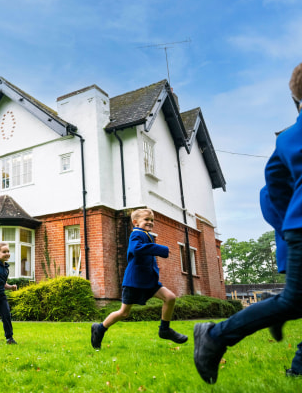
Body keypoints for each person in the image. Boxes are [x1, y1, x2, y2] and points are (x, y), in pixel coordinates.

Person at [194, 62, 302, 384]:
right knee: (295, 300)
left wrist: (287, 226)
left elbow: (273, 188)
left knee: (296, 299)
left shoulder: (287, 139)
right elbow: (271, 190)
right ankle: (215, 336)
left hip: (296, 226)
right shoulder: (290, 138)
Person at [91, 208, 188, 349]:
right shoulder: (136, 234)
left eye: (152, 220)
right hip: (134, 282)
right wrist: (160, 249)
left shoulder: (145, 235)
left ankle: (165, 329)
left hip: (148, 281)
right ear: (136, 222)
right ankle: (99, 329)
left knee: (170, 298)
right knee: (123, 313)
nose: (150, 222)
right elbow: (136, 249)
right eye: (146, 220)